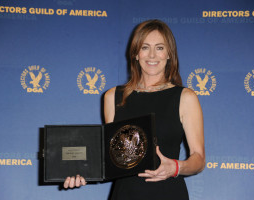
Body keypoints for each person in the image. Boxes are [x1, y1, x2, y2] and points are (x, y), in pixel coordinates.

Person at [64, 19, 205, 200]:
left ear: (169, 54)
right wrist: (80, 172)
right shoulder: (113, 97)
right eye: (145, 47)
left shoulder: (185, 97)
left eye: (160, 48)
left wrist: (176, 167)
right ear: (136, 54)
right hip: (125, 194)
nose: (152, 55)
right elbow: (111, 158)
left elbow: (198, 158)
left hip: (168, 194)